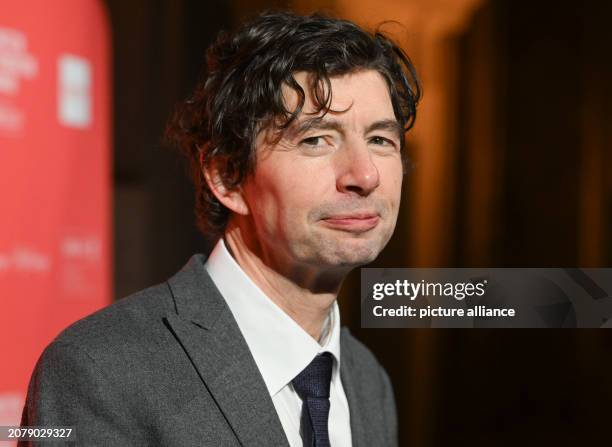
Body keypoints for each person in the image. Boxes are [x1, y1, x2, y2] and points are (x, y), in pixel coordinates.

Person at [21, 11, 420, 447]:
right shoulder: (101, 369)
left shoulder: (367, 381)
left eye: (381, 140)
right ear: (227, 177)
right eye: (316, 139)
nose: (364, 175)